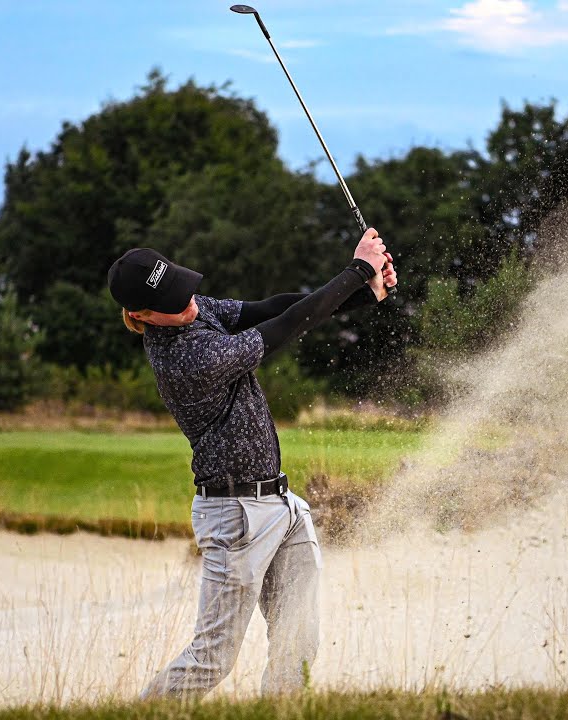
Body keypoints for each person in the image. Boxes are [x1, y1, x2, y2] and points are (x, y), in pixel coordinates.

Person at [107, 228, 397, 698]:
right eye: (175, 301)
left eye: (183, 288)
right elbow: (284, 328)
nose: (190, 302)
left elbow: (273, 307)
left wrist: (365, 295)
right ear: (142, 316)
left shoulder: (195, 313)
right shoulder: (187, 356)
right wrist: (358, 270)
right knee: (213, 658)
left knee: (298, 641)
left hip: (280, 505)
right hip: (235, 517)